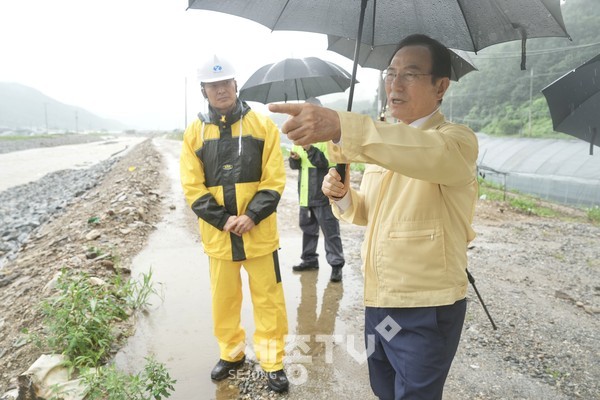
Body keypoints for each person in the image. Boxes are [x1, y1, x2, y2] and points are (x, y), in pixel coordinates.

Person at [269, 34, 478, 400]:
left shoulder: (455, 141)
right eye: (390, 73)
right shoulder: (388, 141)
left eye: (409, 75)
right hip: (379, 298)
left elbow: (426, 153)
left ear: (440, 86)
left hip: (425, 305)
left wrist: (341, 126)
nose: (394, 85)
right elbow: (373, 213)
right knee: (383, 388)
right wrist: (345, 195)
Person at [180, 55, 289, 393]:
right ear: (203, 90)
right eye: (213, 85)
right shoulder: (195, 133)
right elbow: (192, 188)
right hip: (219, 237)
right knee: (223, 301)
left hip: (259, 234)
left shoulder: (262, 126)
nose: (221, 89)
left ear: (236, 85)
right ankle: (232, 353)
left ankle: (273, 361)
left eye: (226, 82)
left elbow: (274, 179)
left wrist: (251, 215)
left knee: (269, 300)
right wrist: (224, 219)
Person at [289, 97, 345, 282]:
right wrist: (294, 158)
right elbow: (297, 167)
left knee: (330, 231)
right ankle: (309, 260)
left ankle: (336, 265)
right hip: (305, 193)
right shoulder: (299, 136)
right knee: (308, 229)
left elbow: (324, 163)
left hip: (323, 195)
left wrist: (309, 148)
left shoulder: (328, 137)